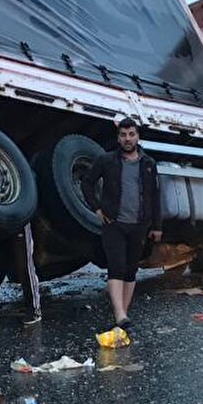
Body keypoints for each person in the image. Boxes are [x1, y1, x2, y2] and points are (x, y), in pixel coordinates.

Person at [80, 117, 162, 330]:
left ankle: (123, 314)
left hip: (139, 225)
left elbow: (155, 196)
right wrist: (97, 208)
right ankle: (119, 314)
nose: (128, 139)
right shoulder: (106, 160)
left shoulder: (148, 164)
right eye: (123, 135)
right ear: (118, 137)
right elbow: (87, 183)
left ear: (137, 136)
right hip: (114, 223)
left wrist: (157, 226)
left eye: (131, 134)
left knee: (131, 269)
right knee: (116, 266)